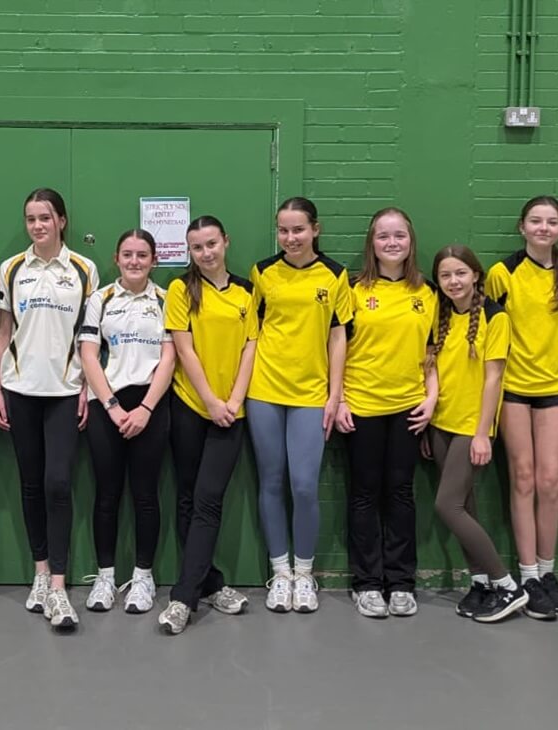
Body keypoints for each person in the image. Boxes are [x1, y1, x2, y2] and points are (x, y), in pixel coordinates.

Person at [0, 188, 99, 630]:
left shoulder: (84, 269)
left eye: (45, 217)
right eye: (31, 219)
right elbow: (3, 331)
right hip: (19, 389)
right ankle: (40, 574)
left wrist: (85, 387)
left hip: (65, 391)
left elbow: (89, 336)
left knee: (58, 483)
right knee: (31, 484)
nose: (38, 225)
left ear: (62, 221)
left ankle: (58, 584)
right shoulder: (11, 268)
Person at [247, 197, 352, 613]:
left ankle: (304, 574)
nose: (290, 238)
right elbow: (252, 332)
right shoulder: (262, 273)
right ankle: (281, 573)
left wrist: (335, 394)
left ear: (315, 230)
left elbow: (338, 336)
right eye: (283, 230)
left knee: (304, 486)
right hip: (264, 391)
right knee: (271, 482)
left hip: (311, 394)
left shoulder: (335, 275)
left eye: (298, 230)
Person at [484, 195, 558, 620]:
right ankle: (527, 576)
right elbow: (488, 331)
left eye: (552, 222)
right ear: (522, 227)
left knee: (550, 481)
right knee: (523, 478)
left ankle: (547, 572)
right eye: (536, 221)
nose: (544, 228)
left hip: (556, 389)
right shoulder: (502, 273)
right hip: (513, 390)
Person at [157, 216, 257, 636]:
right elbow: (185, 351)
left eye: (211, 244)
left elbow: (251, 347)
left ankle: (183, 598)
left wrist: (232, 401)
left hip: (231, 414)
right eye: (197, 247)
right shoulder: (181, 289)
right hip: (189, 407)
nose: (206, 253)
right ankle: (211, 583)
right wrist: (211, 401)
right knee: (187, 499)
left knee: (208, 501)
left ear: (225, 242)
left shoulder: (247, 291)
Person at [335, 208, 437, 618]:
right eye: (383, 236)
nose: (392, 243)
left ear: (410, 241)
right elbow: (335, 349)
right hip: (361, 406)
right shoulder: (353, 289)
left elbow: (433, 353)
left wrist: (431, 398)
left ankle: (400, 582)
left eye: (399, 235)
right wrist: (340, 400)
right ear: (371, 243)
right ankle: (367, 583)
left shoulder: (428, 292)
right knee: (364, 494)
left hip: (408, 408)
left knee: (400, 493)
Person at [425, 245, 528, 623]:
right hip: (442, 423)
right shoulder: (439, 314)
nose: (453, 281)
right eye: (445, 275)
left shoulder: (494, 316)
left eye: (460, 273)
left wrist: (483, 433)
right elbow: (432, 369)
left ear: (475, 275)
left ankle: (508, 585)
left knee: (447, 505)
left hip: (472, 427)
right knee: (465, 506)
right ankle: (481, 583)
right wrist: (430, 420)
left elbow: (493, 378)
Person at [79, 229, 175, 614]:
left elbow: (169, 358)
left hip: (150, 404)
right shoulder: (100, 298)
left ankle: (143, 577)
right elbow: (88, 354)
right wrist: (112, 406)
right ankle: (105, 576)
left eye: (142, 255)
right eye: (127, 254)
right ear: (116, 259)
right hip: (109, 405)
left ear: (154, 261)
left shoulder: (166, 299)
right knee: (107, 494)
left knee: (146, 494)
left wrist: (146, 408)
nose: (134, 261)